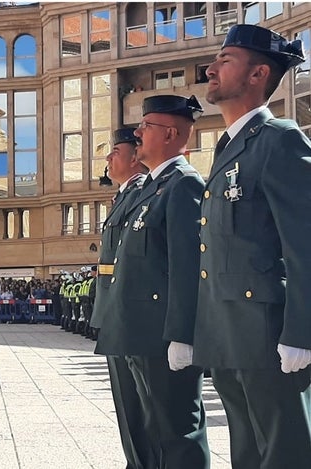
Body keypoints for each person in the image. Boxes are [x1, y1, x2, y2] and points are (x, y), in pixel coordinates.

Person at [192, 24, 311, 468]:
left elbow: (306, 244)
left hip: (268, 335)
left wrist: (302, 332)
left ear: (259, 73)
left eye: (225, 61)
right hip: (228, 333)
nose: (211, 68)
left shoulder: (279, 140)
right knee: (247, 454)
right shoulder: (229, 150)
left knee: (285, 455)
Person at [95, 94, 210, 469]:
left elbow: (187, 265)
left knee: (176, 434)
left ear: (171, 133)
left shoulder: (184, 185)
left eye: (146, 126)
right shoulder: (149, 189)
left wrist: (183, 333)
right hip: (135, 327)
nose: (139, 133)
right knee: (147, 430)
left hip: (160, 332)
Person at [90, 127, 154, 469]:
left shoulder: (143, 192)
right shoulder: (124, 196)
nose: (108, 158)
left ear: (134, 156)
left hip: (131, 313)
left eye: (115, 151)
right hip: (114, 313)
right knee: (128, 406)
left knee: (142, 406)